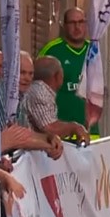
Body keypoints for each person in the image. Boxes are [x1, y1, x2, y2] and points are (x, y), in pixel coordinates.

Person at [38, 8, 100, 136]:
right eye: (72, 23)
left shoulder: (94, 52)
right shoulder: (52, 51)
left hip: (90, 133)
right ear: (64, 25)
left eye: (81, 22)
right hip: (59, 133)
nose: (77, 27)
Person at [21, 56, 91, 144]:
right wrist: (74, 127)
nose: (27, 78)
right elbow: (50, 129)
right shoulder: (39, 91)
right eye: (22, 73)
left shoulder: (39, 89)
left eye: (30, 73)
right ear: (58, 76)